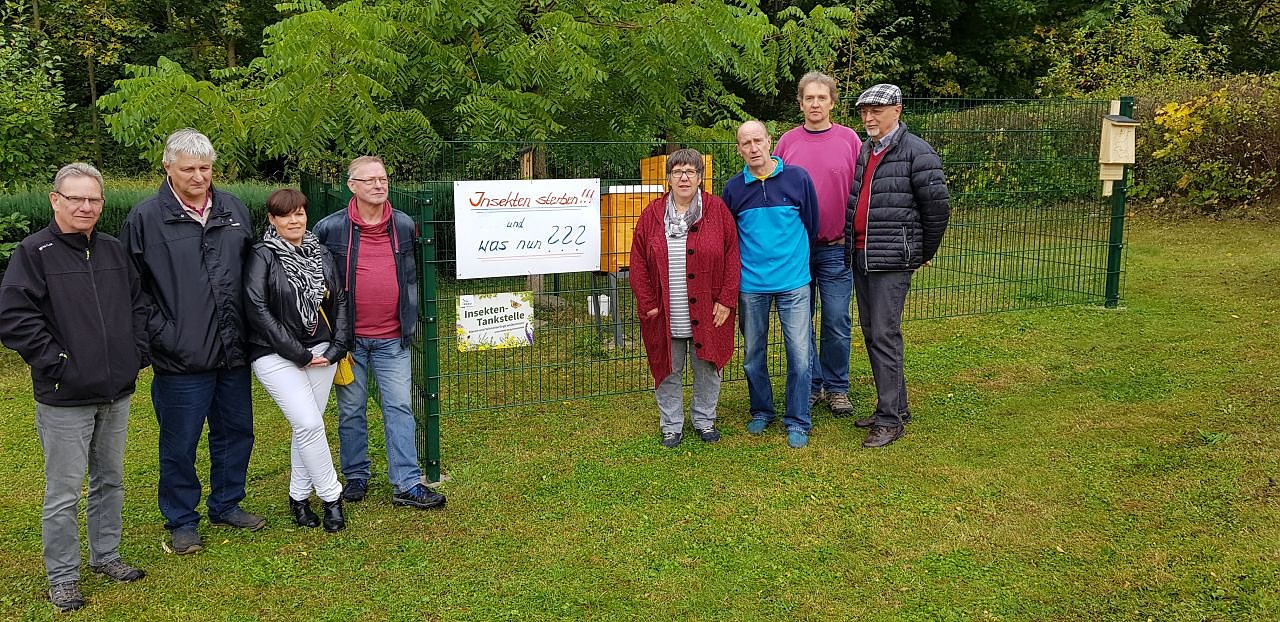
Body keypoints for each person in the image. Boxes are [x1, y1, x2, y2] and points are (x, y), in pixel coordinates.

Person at [0, 163, 148, 611]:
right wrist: (59, 364)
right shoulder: (35, 252)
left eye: (93, 199)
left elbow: (138, 305)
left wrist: (135, 352)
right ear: (55, 200)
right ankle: (63, 576)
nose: (86, 206)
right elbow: (15, 317)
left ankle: (106, 555)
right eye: (76, 198)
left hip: (115, 391)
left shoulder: (113, 249)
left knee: (111, 479)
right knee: (64, 492)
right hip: (65, 396)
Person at [122, 128, 263, 555]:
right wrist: (163, 336)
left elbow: (252, 273)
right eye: (188, 169)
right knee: (180, 444)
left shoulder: (233, 209)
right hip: (180, 357)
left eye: (205, 168)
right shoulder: (145, 219)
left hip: (233, 350)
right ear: (168, 167)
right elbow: (133, 291)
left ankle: (227, 504)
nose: (199, 177)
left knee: (236, 433)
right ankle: (182, 520)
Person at [313, 156, 446, 510]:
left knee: (400, 406)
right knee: (351, 409)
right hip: (348, 341)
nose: (378, 185)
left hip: (392, 338)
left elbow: (412, 275)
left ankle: (407, 483)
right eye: (369, 179)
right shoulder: (330, 229)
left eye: (383, 178)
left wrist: (410, 315)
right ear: (352, 186)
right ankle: (356, 475)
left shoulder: (403, 224)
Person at [845, 84, 951, 447]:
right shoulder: (866, 150)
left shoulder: (918, 153)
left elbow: (937, 208)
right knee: (874, 334)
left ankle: (889, 420)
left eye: (876, 111)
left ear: (897, 110)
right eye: (864, 112)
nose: (869, 118)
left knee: (884, 335)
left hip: (892, 259)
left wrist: (921, 251)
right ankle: (895, 408)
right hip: (862, 254)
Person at [245, 189, 350, 532]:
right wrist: (297, 353)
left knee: (307, 426)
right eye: (286, 215)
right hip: (274, 353)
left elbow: (340, 300)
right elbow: (257, 308)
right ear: (272, 219)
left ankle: (299, 497)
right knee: (308, 423)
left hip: (322, 351)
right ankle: (332, 497)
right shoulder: (262, 254)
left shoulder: (321, 252)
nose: (294, 220)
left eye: (300, 213)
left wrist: (337, 347)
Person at [630, 149, 741, 448]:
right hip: (666, 310)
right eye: (677, 171)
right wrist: (648, 303)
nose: (683, 177)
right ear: (668, 178)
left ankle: (705, 420)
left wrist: (727, 299)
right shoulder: (652, 215)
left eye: (690, 171)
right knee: (667, 367)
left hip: (709, 308)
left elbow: (732, 256)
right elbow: (638, 262)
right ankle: (671, 425)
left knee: (708, 367)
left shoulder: (717, 211)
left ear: (700, 177)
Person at [722, 120, 820, 449]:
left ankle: (798, 419)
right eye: (745, 143)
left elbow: (812, 224)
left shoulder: (798, 179)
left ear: (769, 142)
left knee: (800, 355)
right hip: (752, 285)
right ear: (739, 149)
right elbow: (729, 238)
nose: (753, 148)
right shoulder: (733, 190)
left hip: (794, 282)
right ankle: (762, 410)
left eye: (757, 141)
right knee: (753, 354)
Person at [774, 71, 862, 417]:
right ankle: (810, 384)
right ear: (800, 104)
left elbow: (863, 189)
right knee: (800, 323)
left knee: (837, 319)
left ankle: (837, 387)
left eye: (821, 98)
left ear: (832, 102)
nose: (815, 104)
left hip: (837, 247)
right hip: (796, 252)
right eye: (809, 98)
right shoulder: (787, 143)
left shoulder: (849, 140)